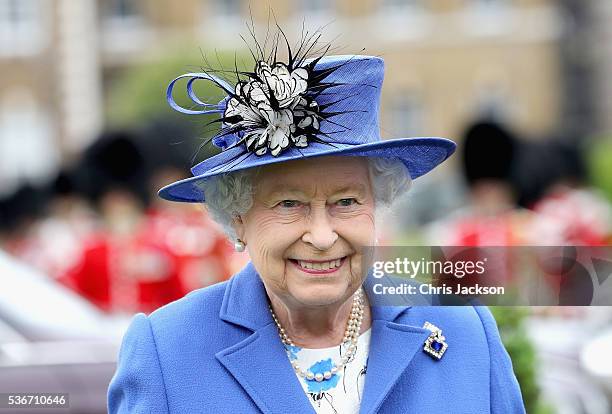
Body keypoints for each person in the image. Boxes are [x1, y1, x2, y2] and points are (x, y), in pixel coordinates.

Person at [108, 32, 525, 413]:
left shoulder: (465, 330)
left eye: (346, 202)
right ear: (238, 217)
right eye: (289, 204)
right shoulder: (165, 351)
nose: (323, 236)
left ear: (377, 204)